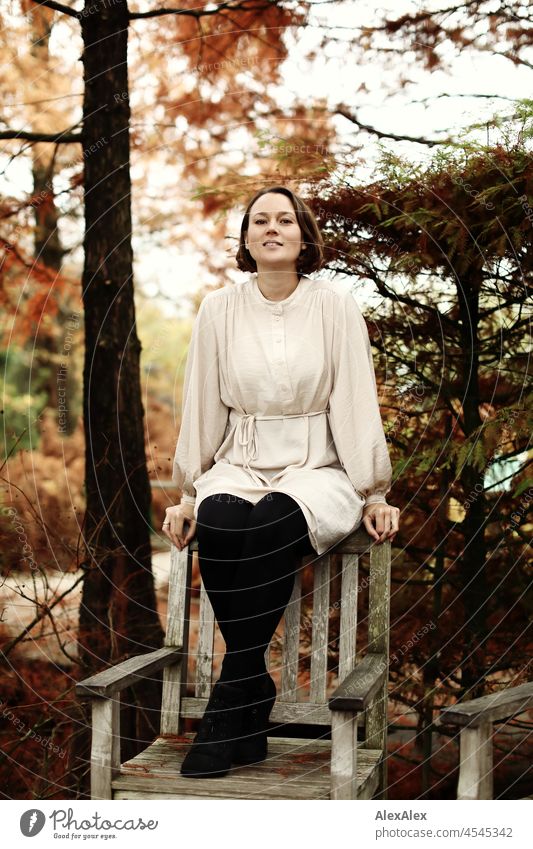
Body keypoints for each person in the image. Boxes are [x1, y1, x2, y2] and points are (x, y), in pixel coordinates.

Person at [162, 185, 400, 779]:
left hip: (316, 463)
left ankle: (230, 702)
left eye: (285, 220)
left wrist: (373, 490)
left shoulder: (334, 305)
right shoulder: (218, 308)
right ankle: (252, 686)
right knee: (221, 521)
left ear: (302, 236)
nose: (272, 228)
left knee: (272, 517)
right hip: (239, 458)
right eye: (259, 220)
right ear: (246, 239)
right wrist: (190, 491)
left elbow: (354, 398)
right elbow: (200, 403)